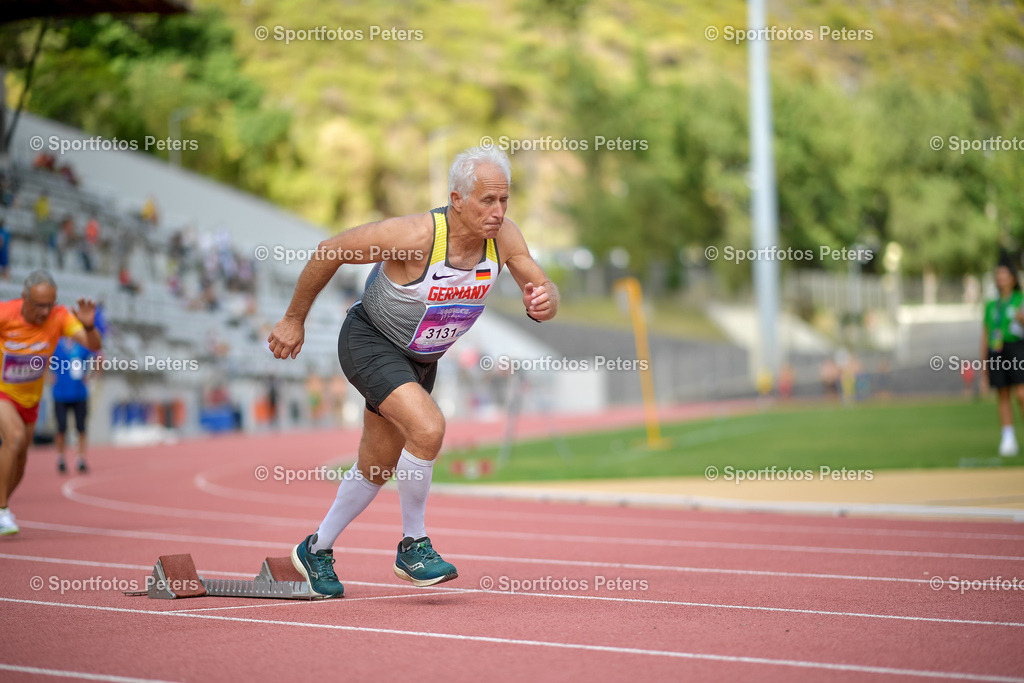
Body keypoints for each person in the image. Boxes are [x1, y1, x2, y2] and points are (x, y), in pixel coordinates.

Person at [268, 146, 558, 597]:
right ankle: (413, 545)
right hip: (369, 341)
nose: (498, 212)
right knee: (429, 428)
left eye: (504, 200)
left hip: (422, 359)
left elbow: (539, 285)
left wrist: (545, 301)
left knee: (376, 467)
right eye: (487, 200)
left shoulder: (503, 238)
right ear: (457, 199)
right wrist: (293, 319)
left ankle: (315, 549)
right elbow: (331, 250)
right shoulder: (416, 236)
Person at [0, 271, 102, 535]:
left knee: (21, 458)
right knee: (14, 438)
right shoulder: (5, 314)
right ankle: (2, 511)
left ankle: (2, 505)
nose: (45, 311)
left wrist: (90, 327)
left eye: (50, 304)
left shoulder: (60, 317)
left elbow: (92, 345)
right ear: (24, 298)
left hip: (30, 400)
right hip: (3, 393)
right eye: (39, 305)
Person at [983, 256, 1024, 456]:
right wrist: (983, 363)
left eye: (1004, 274)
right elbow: (985, 333)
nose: (1000, 278)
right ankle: (1008, 439)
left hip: (1017, 348)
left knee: (1021, 394)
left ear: (1013, 278)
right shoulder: (991, 304)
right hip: (996, 349)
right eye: (998, 275)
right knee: (1003, 394)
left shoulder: (1020, 300)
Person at [50, 337, 96, 474]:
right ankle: (61, 458)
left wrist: (92, 375)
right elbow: (43, 359)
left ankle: (80, 459)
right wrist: (48, 376)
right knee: (61, 428)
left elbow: (97, 356)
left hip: (80, 393)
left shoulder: (82, 344)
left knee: (81, 428)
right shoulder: (56, 343)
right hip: (60, 394)